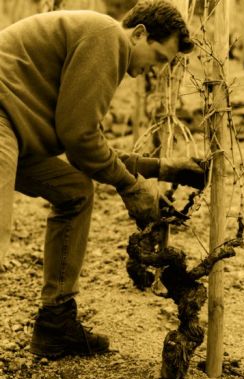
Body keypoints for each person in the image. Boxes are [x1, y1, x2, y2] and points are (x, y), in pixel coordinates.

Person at [0, 0, 208, 359]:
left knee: (74, 191)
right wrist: (129, 186)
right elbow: (80, 139)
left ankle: (56, 323)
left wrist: (162, 169)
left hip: (17, 132)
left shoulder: (100, 39)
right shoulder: (108, 36)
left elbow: (83, 141)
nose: (154, 71)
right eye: (158, 58)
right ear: (139, 33)